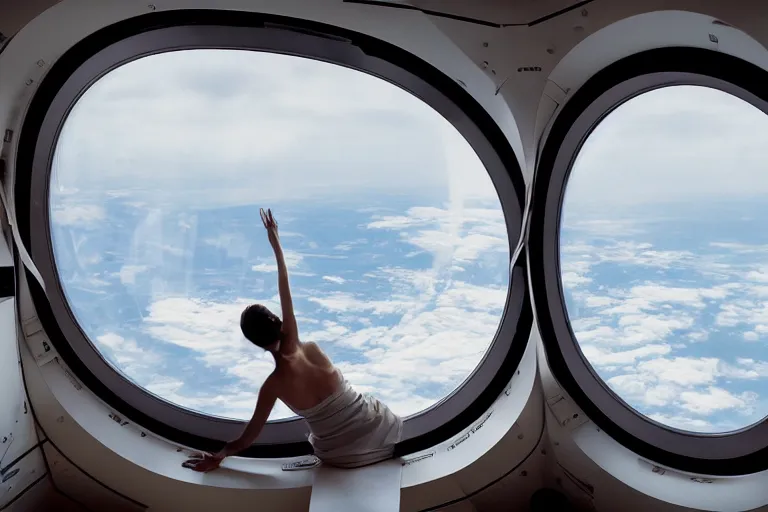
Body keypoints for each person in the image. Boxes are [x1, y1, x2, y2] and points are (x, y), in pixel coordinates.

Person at [183, 208, 403, 472]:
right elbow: (284, 284)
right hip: (377, 432)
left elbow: (247, 438)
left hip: (342, 457)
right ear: (278, 322)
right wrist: (275, 242)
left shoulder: (272, 386)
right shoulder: (303, 345)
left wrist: (219, 456)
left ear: (257, 344)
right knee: (374, 408)